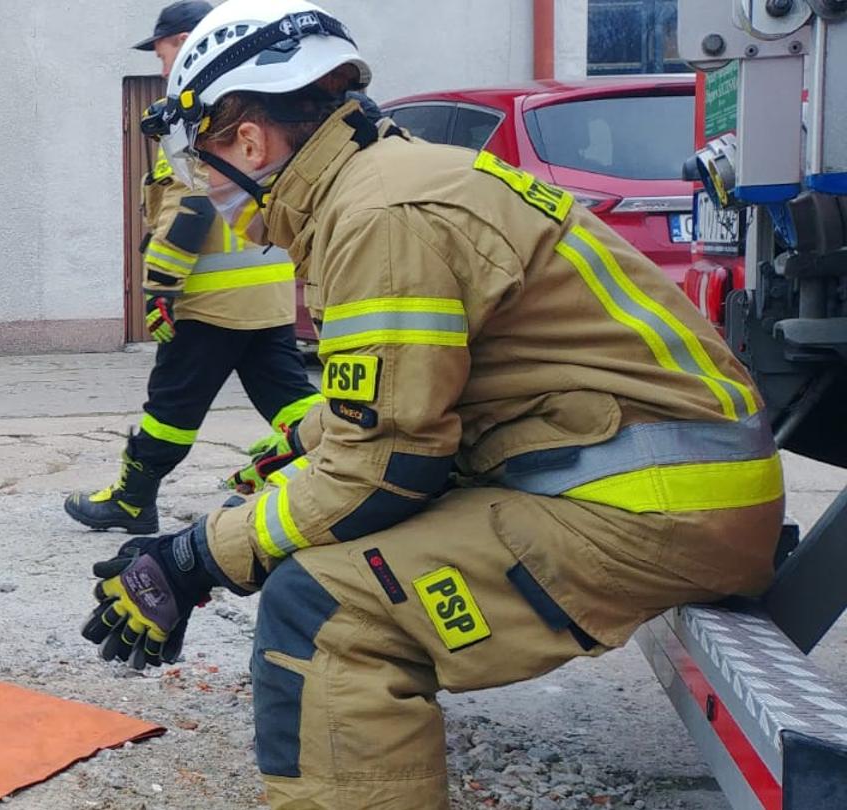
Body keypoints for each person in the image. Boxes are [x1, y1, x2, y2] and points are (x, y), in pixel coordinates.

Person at [81, 1, 786, 807]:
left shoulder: (381, 214)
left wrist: (197, 555)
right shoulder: (389, 178)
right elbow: (409, 394)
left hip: (645, 511)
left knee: (327, 612)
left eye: (201, 154)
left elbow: (384, 471)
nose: (205, 183)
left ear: (250, 141)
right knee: (319, 541)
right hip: (641, 480)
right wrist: (306, 442)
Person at [66, 0, 321, 536]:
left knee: (172, 405)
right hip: (268, 293)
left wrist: (159, 290)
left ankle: (133, 500)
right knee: (289, 398)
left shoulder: (200, 108)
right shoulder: (250, 101)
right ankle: (323, 475)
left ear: (183, 42)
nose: (162, 69)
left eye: (162, 54)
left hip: (210, 302)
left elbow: (191, 208)